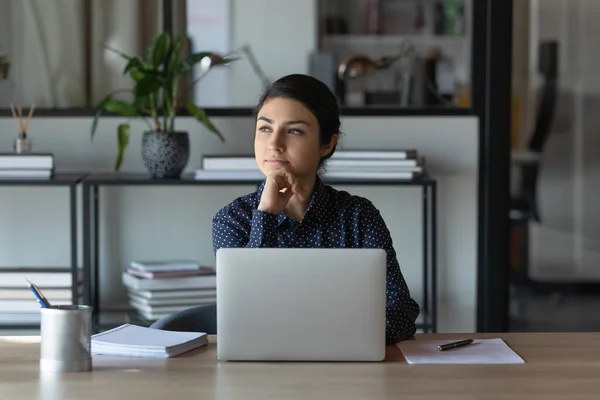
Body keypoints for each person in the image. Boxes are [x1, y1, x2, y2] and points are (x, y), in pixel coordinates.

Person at [211, 73, 419, 344]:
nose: (274, 144)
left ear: (327, 144)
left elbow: (401, 311)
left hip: (347, 365)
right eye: (265, 128)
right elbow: (244, 312)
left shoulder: (358, 216)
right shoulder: (231, 219)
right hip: (260, 369)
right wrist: (267, 215)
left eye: (294, 130)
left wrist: (340, 339)